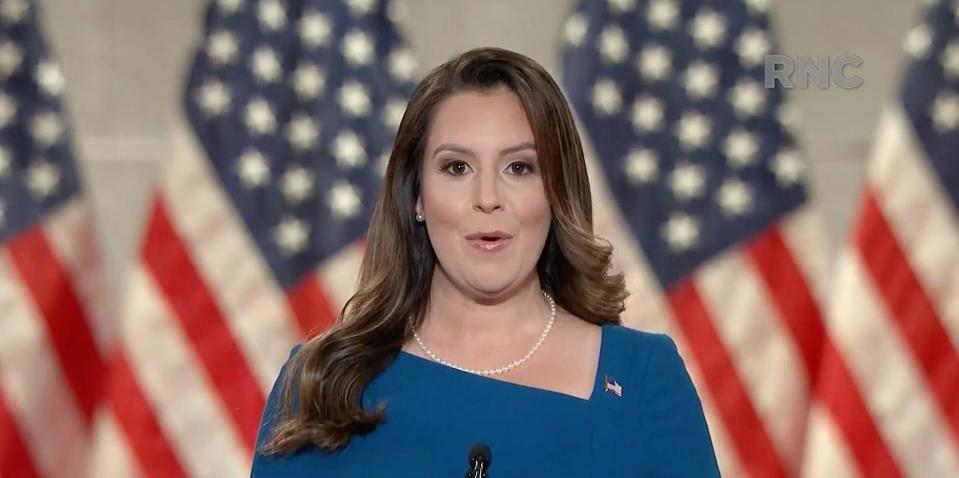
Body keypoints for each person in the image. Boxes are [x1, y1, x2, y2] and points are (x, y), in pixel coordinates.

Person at [251, 46, 720, 477]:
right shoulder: (320, 384)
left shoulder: (642, 377)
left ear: (555, 192)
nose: (488, 198)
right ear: (416, 195)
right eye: (457, 168)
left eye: (519, 168)